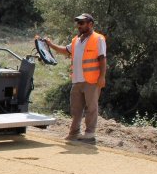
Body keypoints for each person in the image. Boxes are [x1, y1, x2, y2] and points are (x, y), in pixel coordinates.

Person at [39, 13, 107, 143]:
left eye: (82, 23)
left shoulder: (98, 39)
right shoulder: (76, 40)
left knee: (91, 108)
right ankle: (74, 133)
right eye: (78, 23)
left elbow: (102, 59)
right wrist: (50, 44)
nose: (79, 25)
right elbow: (65, 50)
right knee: (76, 109)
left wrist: (102, 77)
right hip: (77, 80)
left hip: (91, 80)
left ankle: (89, 135)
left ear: (90, 24)